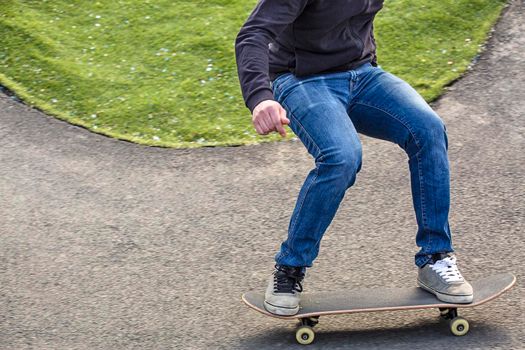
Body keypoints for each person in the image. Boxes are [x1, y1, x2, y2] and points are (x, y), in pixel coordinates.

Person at [235, 0, 473, 316]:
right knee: (341, 157)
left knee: (428, 130)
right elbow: (253, 34)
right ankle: (289, 268)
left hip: (362, 75)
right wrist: (260, 98)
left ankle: (435, 258)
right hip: (300, 80)